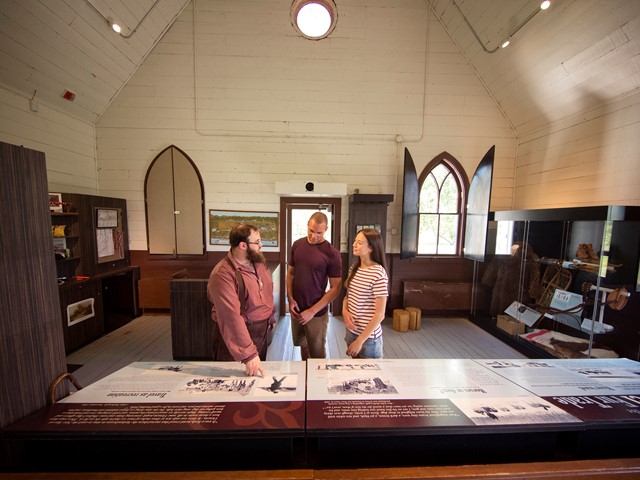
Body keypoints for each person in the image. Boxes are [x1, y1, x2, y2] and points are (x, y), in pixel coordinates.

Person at [207, 223, 275, 377]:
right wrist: (248, 354)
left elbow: (267, 292)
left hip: (261, 331)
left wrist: (270, 317)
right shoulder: (223, 274)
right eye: (257, 242)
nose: (261, 245)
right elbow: (230, 316)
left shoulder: (258, 263)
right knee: (232, 386)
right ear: (243, 245)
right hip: (236, 337)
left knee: (256, 383)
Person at [287, 212, 342, 359]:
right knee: (302, 346)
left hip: (316, 313)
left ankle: (318, 381)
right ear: (307, 226)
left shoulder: (332, 253)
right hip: (297, 309)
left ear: (326, 229)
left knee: (317, 354)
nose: (313, 236)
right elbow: (290, 273)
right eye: (311, 231)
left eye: (319, 232)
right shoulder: (297, 245)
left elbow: (335, 288)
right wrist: (290, 299)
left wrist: (312, 311)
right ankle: (305, 378)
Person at [342, 228, 388, 359]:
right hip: (351, 332)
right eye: (355, 241)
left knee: (369, 377)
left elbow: (380, 314)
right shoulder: (354, 268)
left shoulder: (378, 273)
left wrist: (360, 341)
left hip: (368, 339)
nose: (354, 244)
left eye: (360, 242)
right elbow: (347, 297)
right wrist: (345, 312)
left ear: (371, 248)